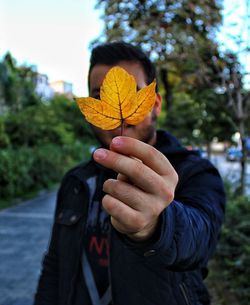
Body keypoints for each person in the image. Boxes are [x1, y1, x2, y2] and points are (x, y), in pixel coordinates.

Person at [34, 41, 226, 305]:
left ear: (155, 104)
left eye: (134, 92)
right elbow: (55, 265)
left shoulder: (195, 173)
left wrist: (157, 225)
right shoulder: (76, 181)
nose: (118, 114)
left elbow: (199, 239)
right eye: (98, 96)